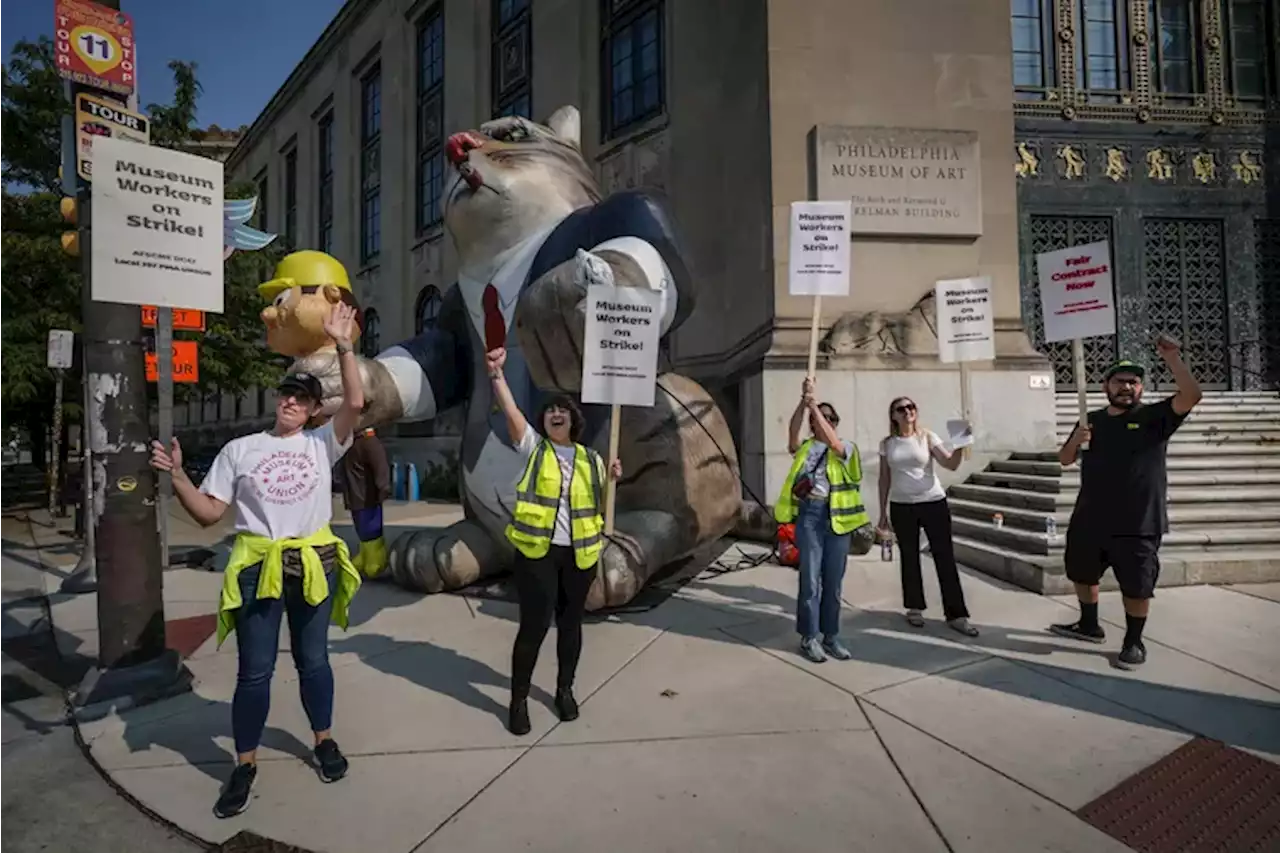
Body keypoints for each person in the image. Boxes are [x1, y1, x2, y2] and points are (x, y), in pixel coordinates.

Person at [149, 303, 365, 818]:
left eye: (303, 398)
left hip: (313, 564)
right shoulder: (240, 450)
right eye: (287, 393)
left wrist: (344, 344)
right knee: (255, 673)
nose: (292, 401)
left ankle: (324, 740)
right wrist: (178, 476)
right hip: (256, 568)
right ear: (278, 399)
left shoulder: (321, 443)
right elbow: (208, 514)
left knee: (314, 661)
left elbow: (355, 400)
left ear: (314, 410)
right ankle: (244, 764)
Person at [486, 346, 621, 736]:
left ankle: (565, 691)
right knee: (533, 627)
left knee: (571, 625)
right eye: (549, 410)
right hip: (536, 553)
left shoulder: (592, 459)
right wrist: (496, 375)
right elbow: (512, 413)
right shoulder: (532, 447)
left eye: (562, 409)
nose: (555, 413)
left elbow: (601, 500)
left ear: (573, 419)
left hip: (580, 555)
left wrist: (612, 475)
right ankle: (518, 700)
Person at [1051, 335, 1202, 670]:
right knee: (1082, 573)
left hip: (1138, 523)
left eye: (1134, 382)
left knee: (1136, 586)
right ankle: (1089, 625)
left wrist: (1173, 358)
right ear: (1106, 385)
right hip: (1090, 519)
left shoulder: (1155, 418)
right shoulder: (1090, 419)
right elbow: (1064, 459)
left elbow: (1191, 396)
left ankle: (1133, 641)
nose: (1127, 386)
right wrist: (1076, 439)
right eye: (1120, 381)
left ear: (1141, 389)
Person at [774, 376, 870, 663]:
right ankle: (809, 637)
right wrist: (803, 404)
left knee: (833, 583)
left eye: (831, 418)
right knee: (810, 581)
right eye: (820, 418)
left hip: (837, 520)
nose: (825, 421)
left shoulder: (847, 449)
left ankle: (831, 637)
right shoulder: (804, 448)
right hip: (811, 516)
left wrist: (814, 405)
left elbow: (833, 442)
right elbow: (791, 433)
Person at [876, 398, 978, 637]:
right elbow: (884, 478)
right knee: (909, 557)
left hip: (933, 502)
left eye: (911, 407)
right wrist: (882, 512)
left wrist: (961, 443)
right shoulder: (887, 443)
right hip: (902, 505)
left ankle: (957, 614)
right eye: (901, 409)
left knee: (945, 557)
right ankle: (914, 607)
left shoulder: (927, 437)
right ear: (893, 415)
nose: (908, 411)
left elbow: (950, 463)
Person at [338, 427, 391, 576]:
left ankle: (376, 556)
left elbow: (380, 466)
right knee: (361, 525)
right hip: (355, 494)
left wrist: (384, 486)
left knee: (371, 526)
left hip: (368, 495)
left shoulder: (369, 442)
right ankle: (365, 553)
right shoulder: (351, 442)